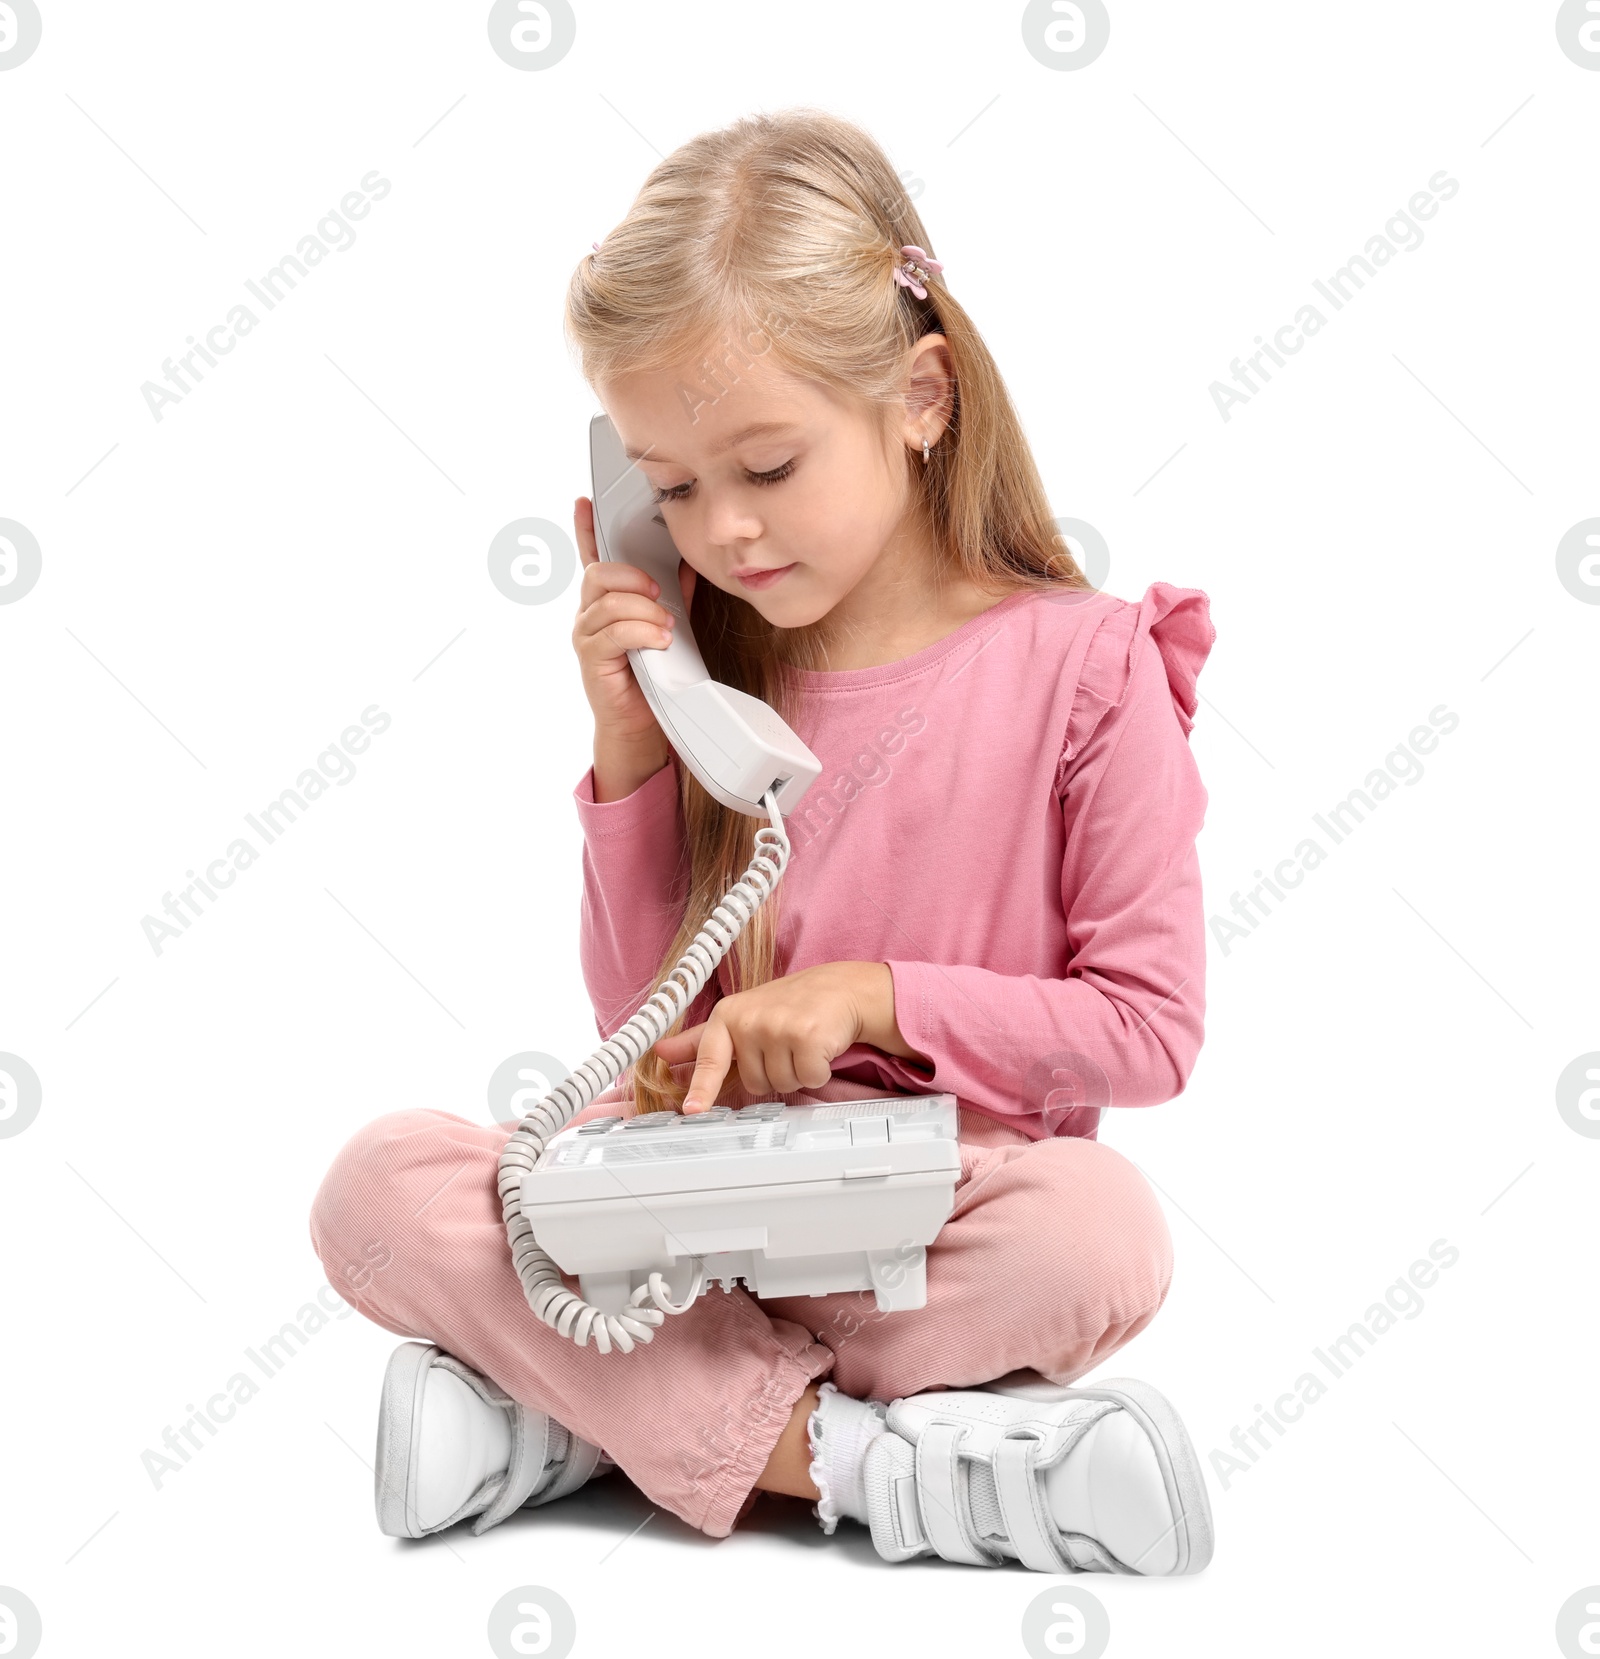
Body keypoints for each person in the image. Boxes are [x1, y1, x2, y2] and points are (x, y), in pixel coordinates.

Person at [309, 106, 1217, 1575]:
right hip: (695, 1196)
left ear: (920, 397)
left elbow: (1147, 1032)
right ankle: (868, 1464)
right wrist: (635, 739)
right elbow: (629, 1019)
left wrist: (874, 1002)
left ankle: (584, 1417)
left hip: (929, 1211)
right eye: (671, 487)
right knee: (377, 1185)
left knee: (1101, 1237)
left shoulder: (1093, 672)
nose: (723, 529)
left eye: (769, 467)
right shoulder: (715, 678)